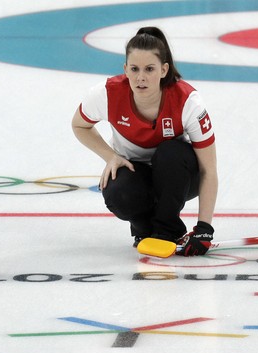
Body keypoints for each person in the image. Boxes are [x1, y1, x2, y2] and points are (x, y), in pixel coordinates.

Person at [71, 26, 219, 256]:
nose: (141, 77)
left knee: (170, 152)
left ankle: (166, 229)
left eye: (150, 69)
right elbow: (79, 124)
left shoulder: (188, 102)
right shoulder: (106, 94)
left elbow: (209, 170)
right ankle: (144, 228)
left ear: (163, 69)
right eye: (134, 69)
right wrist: (110, 156)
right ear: (125, 70)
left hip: (180, 178)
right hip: (137, 175)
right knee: (117, 191)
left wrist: (204, 229)